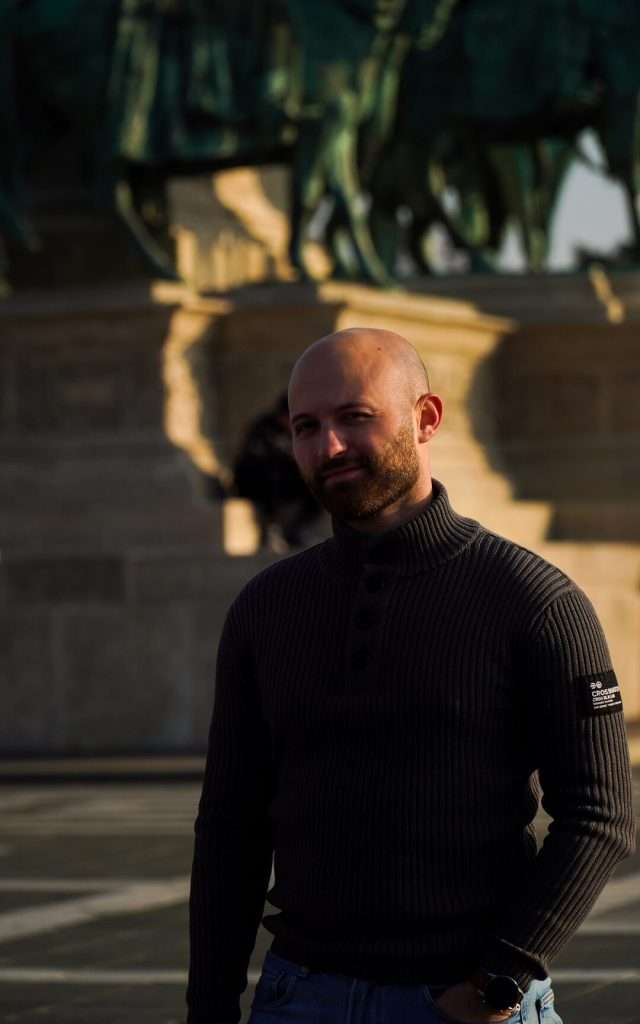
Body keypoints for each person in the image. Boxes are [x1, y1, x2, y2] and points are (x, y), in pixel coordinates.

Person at [187, 327, 634, 1024]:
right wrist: (209, 1004)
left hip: (467, 1001)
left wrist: (497, 983)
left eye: (355, 418)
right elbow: (231, 827)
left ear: (427, 419)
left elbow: (601, 816)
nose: (327, 447)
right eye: (305, 426)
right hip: (299, 997)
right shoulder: (264, 610)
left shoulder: (536, 601)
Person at [232, 392, 323, 552]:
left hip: (285, 478)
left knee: (317, 483)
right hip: (256, 480)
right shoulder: (264, 428)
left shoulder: (299, 430)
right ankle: (270, 528)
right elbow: (255, 458)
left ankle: (295, 531)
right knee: (272, 476)